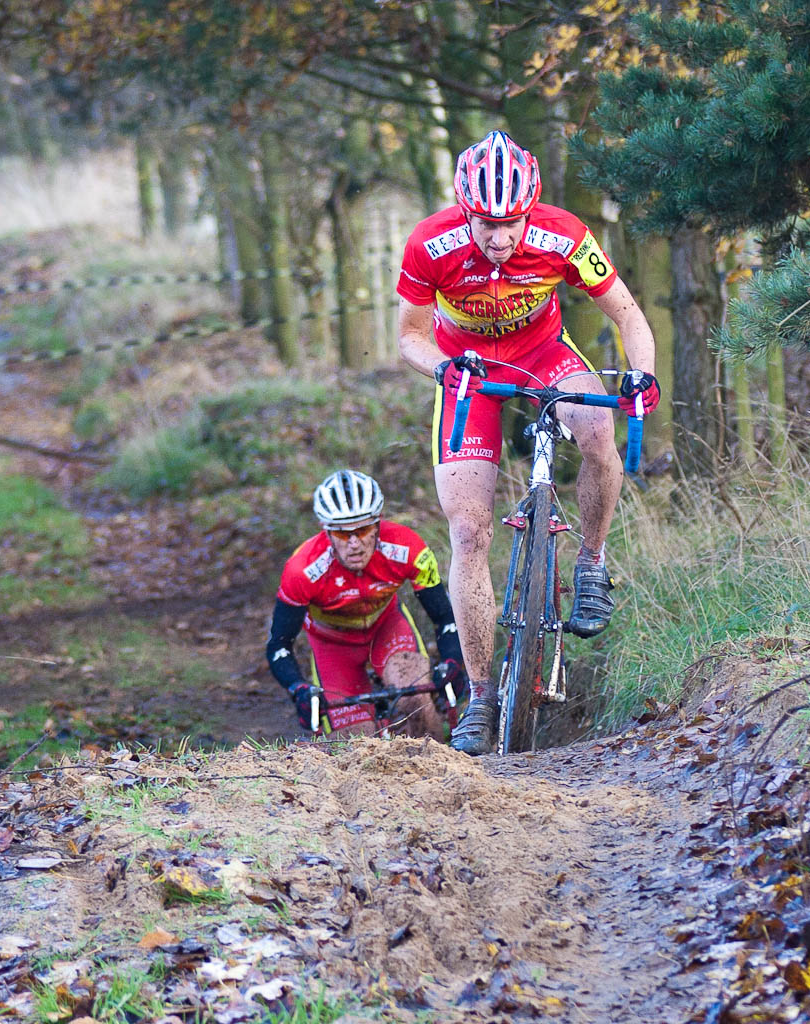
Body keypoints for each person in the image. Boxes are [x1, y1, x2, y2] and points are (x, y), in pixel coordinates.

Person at [396, 130, 659, 756]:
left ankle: (590, 562)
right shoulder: (430, 243)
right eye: (486, 224)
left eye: (510, 222)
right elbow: (408, 336)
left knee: (597, 431)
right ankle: (481, 695)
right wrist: (442, 368)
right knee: (468, 532)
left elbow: (627, 313)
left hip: (543, 353)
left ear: (530, 210)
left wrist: (642, 374)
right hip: (467, 371)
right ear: (465, 212)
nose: (499, 237)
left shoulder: (563, 234)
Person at [266, 469, 467, 739]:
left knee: (415, 704)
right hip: (332, 646)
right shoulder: (301, 570)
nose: (354, 544)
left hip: (387, 628)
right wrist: (298, 689)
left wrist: (452, 662)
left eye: (363, 530)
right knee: (355, 742)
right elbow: (279, 645)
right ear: (326, 530)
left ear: (378, 523)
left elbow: (444, 618)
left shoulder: (408, 547)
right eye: (342, 534)